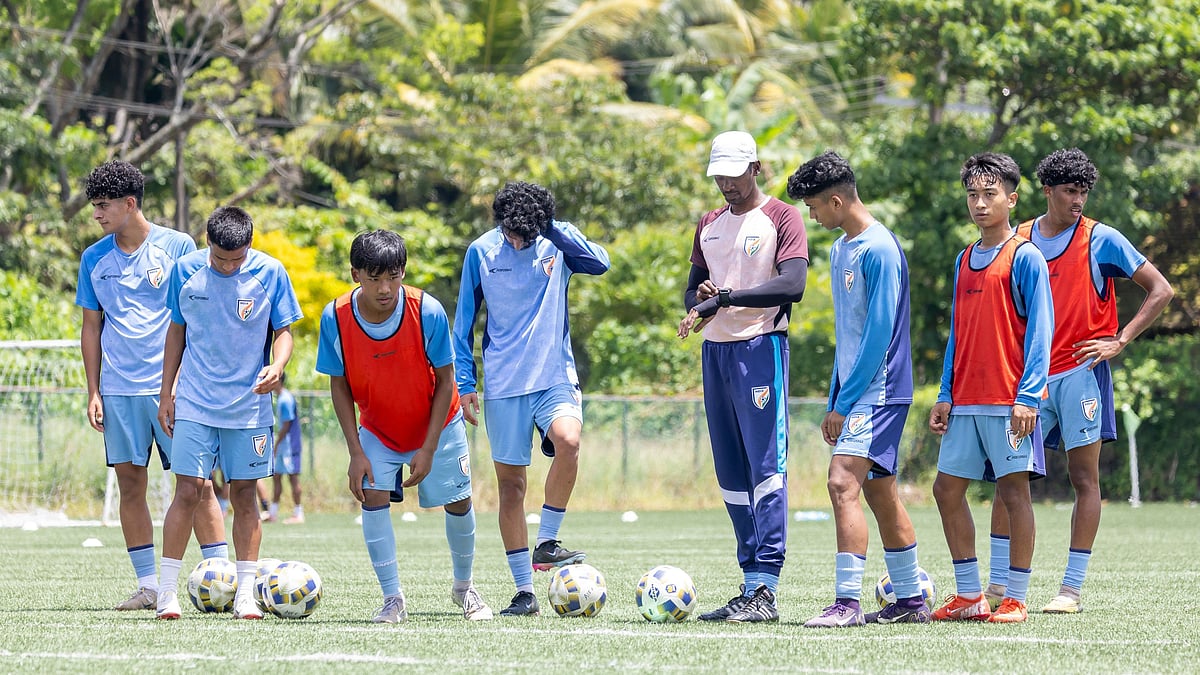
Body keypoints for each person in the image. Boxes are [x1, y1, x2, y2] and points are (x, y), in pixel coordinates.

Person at [984, 148, 1174, 614]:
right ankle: (996, 586)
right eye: (1070, 191)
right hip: (1028, 378)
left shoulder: (1102, 238)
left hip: (1081, 375)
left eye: (1084, 191)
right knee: (1010, 480)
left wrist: (1120, 340)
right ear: (1046, 191)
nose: (1078, 200)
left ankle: (1070, 589)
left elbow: (1161, 289)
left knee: (1083, 477)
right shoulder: (1018, 237)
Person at [317, 229, 493, 623]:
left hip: (438, 424)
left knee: (459, 502)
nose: (385, 288)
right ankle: (392, 598)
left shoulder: (426, 310)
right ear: (355, 273)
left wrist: (428, 449)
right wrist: (355, 451)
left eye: (393, 276)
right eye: (374, 277)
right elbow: (338, 384)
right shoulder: (336, 317)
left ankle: (464, 588)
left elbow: (446, 380)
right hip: (378, 430)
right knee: (372, 496)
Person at [76, 160, 229, 611]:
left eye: (103, 206)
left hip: (174, 389)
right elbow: (90, 326)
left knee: (197, 484)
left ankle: (221, 578)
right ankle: (147, 585)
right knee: (130, 482)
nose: (97, 215)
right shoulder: (93, 258)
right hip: (119, 390)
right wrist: (93, 390)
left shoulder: (179, 247)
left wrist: (184, 380)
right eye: (94, 207)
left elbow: (195, 316)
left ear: (129, 203)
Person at [453, 181, 610, 617]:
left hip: (553, 377)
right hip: (503, 386)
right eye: (510, 232)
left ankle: (548, 541)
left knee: (570, 441)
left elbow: (601, 263)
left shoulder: (556, 242)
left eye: (526, 234)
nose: (517, 241)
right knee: (511, 487)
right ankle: (524, 591)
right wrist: (465, 386)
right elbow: (463, 323)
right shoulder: (480, 252)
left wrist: (553, 228)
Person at [785, 151, 928, 627]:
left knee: (841, 482)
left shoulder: (879, 249)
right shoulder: (841, 248)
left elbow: (879, 335)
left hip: (882, 390)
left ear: (838, 200)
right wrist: (833, 399)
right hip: (856, 391)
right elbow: (848, 334)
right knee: (880, 492)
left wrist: (846, 403)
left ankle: (847, 605)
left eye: (814, 207)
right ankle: (909, 601)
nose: (812, 216)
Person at [678, 131, 809, 623]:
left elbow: (793, 285)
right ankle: (749, 583)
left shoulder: (782, 216)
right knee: (731, 472)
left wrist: (728, 297)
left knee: (765, 467)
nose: (726, 184)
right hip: (716, 353)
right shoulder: (708, 224)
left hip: (761, 350)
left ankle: (768, 588)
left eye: (735, 173)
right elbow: (693, 292)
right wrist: (702, 301)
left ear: (756, 167)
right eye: (719, 175)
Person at [153, 205, 302, 620]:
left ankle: (246, 595)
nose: (228, 266)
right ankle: (166, 593)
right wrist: (167, 393)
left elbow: (285, 329)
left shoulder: (271, 273)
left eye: (237, 259)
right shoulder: (184, 271)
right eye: (220, 258)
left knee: (245, 495)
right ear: (207, 243)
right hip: (196, 401)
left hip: (249, 407)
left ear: (250, 246)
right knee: (189, 490)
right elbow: (176, 332)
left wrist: (278, 364)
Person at [928, 152, 1053, 624]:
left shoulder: (1026, 257)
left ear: (1011, 198)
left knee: (1012, 493)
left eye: (990, 194)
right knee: (945, 490)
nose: (980, 204)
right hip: (965, 402)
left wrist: (1028, 397)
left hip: (1008, 402)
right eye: (972, 195)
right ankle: (970, 595)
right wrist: (945, 392)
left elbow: (1042, 332)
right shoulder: (963, 259)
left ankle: (1015, 597)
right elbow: (958, 334)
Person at [268, 372, 305, 525]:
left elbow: (287, 425)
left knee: (293, 478)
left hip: (289, 445)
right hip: (284, 445)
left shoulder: (286, 399)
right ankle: (273, 512)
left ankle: (298, 513)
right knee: (277, 476)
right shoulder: (281, 398)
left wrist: (276, 444)